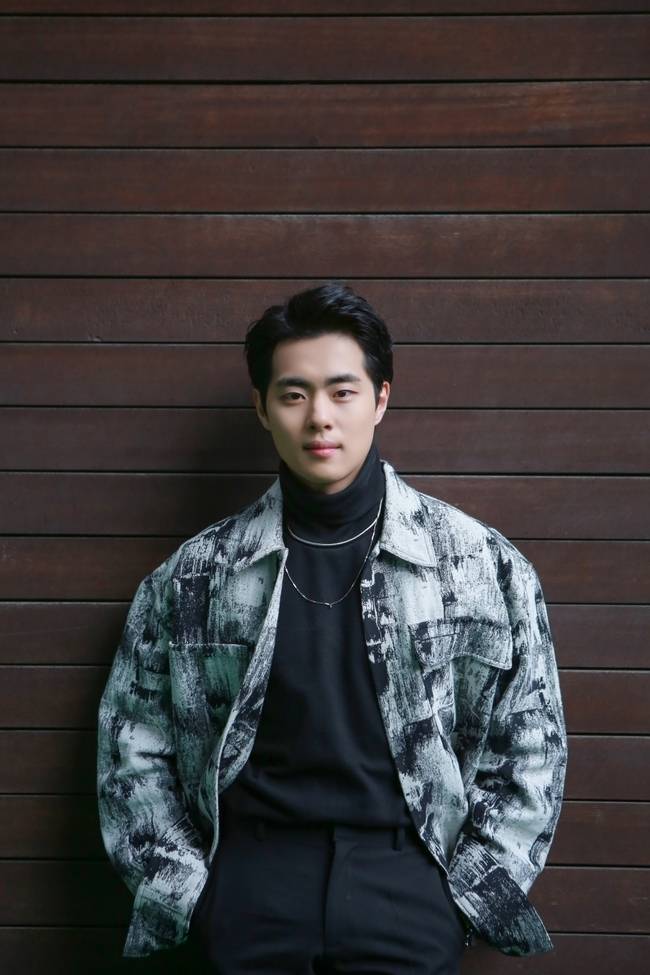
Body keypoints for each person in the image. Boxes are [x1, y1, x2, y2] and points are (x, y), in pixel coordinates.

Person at [97, 281, 568, 973]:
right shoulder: (195, 575)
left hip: (409, 885)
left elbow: (531, 747)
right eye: (294, 394)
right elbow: (133, 745)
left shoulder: (479, 565)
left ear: (380, 399)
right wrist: (192, 894)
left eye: (343, 392)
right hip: (250, 888)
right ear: (262, 407)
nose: (320, 416)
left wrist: (462, 899)